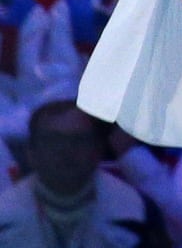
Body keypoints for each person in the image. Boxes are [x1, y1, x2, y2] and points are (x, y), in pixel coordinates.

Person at [0, 100, 168, 247]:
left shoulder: (137, 212)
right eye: (53, 140)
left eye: (79, 140)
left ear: (98, 150)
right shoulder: (4, 216)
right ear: (31, 152)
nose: (66, 150)